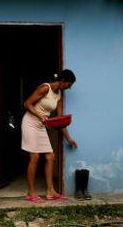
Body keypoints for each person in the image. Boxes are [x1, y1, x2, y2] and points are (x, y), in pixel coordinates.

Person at [22, 69, 77, 203]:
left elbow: (60, 120)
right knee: (34, 156)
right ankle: (31, 193)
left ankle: (50, 191)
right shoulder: (45, 88)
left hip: (41, 125)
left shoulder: (59, 96)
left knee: (50, 157)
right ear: (62, 81)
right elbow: (27, 103)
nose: (69, 88)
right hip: (30, 122)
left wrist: (69, 138)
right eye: (69, 85)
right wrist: (39, 115)